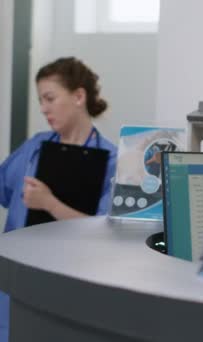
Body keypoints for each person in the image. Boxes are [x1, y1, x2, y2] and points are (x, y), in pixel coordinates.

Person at [0, 57, 117, 341]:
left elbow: (104, 230)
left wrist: (49, 203)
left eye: (50, 98)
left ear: (79, 96)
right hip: (14, 278)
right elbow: (3, 188)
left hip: (69, 282)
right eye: (41, 100)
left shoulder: (112, 160)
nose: (43, 108)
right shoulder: (35, 146)